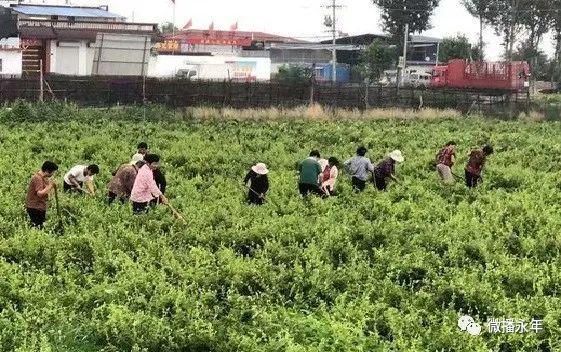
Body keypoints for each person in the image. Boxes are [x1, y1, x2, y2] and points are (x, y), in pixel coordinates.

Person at [26, 161, 59, 228]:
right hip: (35, 208)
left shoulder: (43, 178)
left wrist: (51, 187)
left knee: (40, 227)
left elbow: (46, 192)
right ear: (47, 170)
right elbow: (40, 194)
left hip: (39, 207)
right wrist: (50, 186)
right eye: (53, 172)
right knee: (38, 228)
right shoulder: (37, 178)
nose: (53, 174)